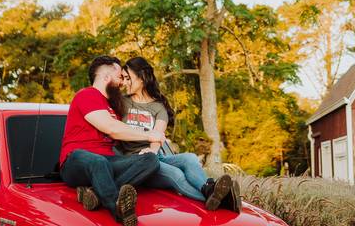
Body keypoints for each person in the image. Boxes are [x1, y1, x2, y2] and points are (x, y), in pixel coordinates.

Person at [119, 56, 242, 213]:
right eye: (123, 78)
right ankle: (224, 200)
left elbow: (158, 134)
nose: (124, 82)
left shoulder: (158, 106)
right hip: (136, 163)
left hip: (155, 156)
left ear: (141, 77)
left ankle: (210, 190)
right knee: (176, 173)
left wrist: (152, 150)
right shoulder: (121, 102)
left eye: (128, 78)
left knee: (189, 157)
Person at [59, 56, 166, 226]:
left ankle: (95, 194)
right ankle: (119, 211)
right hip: (76, 161)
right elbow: (111, 128)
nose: (122, 82)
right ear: (106, 77)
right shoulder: (86, 95)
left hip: (107, 162)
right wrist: (149, 135)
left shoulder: (113, 106)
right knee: (98, 161)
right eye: (119, 77)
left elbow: (124, 131)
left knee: (151, 160)